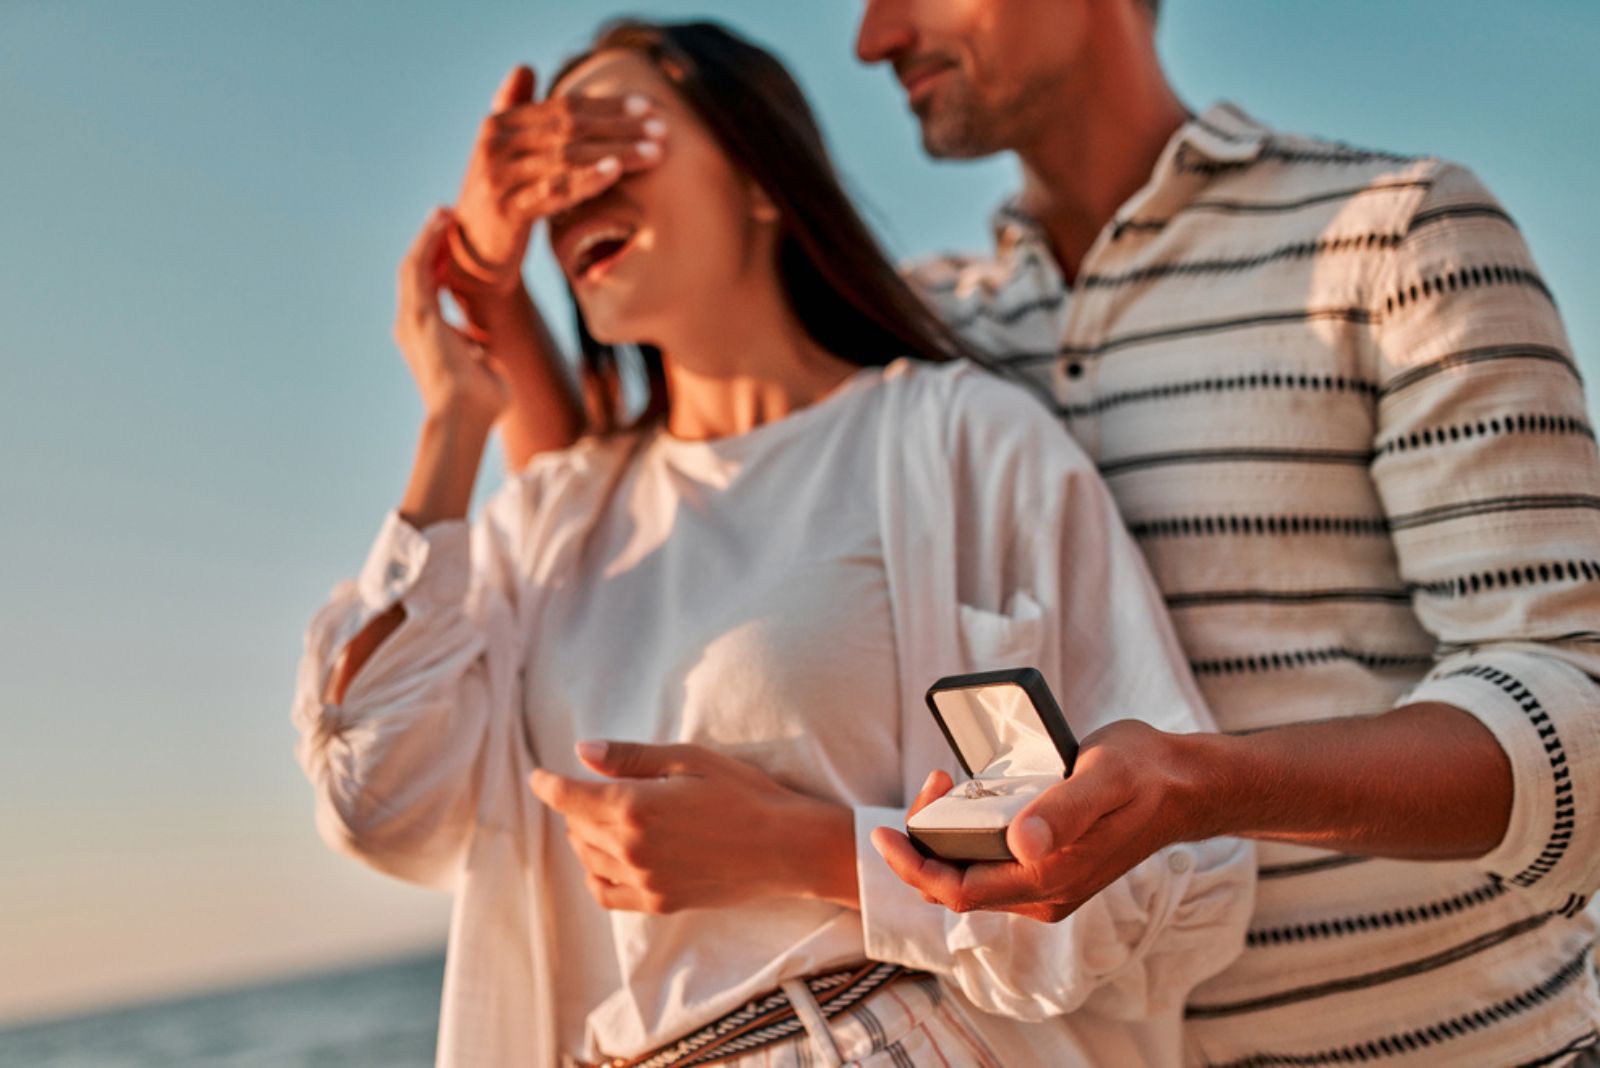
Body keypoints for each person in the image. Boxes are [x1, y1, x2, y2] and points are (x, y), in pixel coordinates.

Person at [484, 2, 1600, 1064]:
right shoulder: (932, 346)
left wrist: (1202, 788)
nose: (873, 37)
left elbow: (1572, 721)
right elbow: (642, 519)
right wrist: (491, 280)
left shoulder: (1394, 234)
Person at [293, 20, 1254, 1068]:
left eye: (612, 140)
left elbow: (1158, 881)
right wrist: (452, 420)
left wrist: (814, 853)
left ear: (760, 178)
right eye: (551, 177)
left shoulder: (957, 440)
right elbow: (381, 804)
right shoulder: (553, 521)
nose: (576, 196)